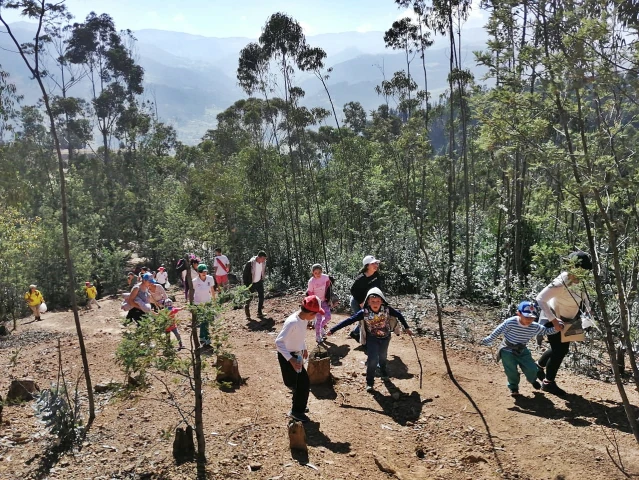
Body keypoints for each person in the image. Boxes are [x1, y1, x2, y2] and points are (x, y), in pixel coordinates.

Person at [328, 287, 412, 392]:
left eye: (377, 301)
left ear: (382, 300)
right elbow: (349, 320)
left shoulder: (386, 309)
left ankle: (383, 372)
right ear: (368, 301)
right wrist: (333, 329)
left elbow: (399, 315)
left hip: (385, 338)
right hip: (372, 339)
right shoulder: (364, 312)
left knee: (383, 357)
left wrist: (407, 328)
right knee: (372, 360)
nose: (375, 303)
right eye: (372, 301)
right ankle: (369, 382)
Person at [535, 251, 593, 396]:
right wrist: (553, 320)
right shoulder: (560, 282)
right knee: (559, 351)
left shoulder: (582, 281)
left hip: (571, 319)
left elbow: (585, 297)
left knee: (560, 349)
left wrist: (589, 312)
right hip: (553, 318)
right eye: (582, 269)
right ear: (573, 267)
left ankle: (539, 366)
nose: (584, 273)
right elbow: (540, 298)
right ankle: (548, 383)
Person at [480, 301, 559, 397]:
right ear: (519, 313)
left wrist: (557, 328)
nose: (529, 320)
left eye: (532, 317)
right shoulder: (510, 322)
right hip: (507, 350)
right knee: (511, 371)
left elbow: (546, 331)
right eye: (526, 317)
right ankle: (514, 388)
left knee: (532, 369)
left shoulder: (535, 326)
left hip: (522, 350)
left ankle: (532, 380)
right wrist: (488, 340)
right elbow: (498, 330)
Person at [275, 295, 324, 423]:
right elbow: (279, 342)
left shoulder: (303, 319)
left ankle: (299, 405)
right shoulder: (292, 322)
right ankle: (296, 411)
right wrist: (290, 359)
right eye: (316, 314)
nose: (315, 317)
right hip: (287, 356)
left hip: (296, 354)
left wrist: (304, 347)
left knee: (301, 382)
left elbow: (300, 337)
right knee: (300, 383)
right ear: (311, 313)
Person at [348, 255, 382, 342]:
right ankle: (363, 340)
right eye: (373, 263)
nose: (376, 265)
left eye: (376, 263)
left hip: (369, 301)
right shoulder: (361, 278)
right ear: (367, 266)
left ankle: (355, 333)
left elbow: (378, 288)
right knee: (364, 320)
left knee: (366, 320)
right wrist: (361, 302)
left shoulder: (376, 275)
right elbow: (353, 291)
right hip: (357, 301)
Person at [306, 264, 333, 344]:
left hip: (324, 300)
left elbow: (329, 283)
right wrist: (313, 304)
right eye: (316, 272)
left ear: (322, 271)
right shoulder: (311, 281)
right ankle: (318, 336)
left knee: (328, 317)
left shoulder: (325, 277)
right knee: (319, 319)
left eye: (319, 272)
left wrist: (328, 295)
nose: (318, 274)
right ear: (313, 273)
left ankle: (321, 328)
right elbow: (309, 292)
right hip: (316, 302)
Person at [192, 263, 216, 348]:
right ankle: (204, 338)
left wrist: (214, 300)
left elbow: (212, 290)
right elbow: (191, 292)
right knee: (203, 321)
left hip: (208, 302)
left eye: (205, 271)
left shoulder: (210, 278)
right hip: (199, 303)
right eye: (202, 271)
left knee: (207, 321)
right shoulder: (194, 281)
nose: (204, 273)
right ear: (198, 272)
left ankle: (205, 338)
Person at [243, 250, 267, 319]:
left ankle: (259, 312)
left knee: (261, 296)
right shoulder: (250, 263)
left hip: (259, 282)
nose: (264, 260)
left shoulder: (263, 263)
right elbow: (245, 275)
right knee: (249, 298)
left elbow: (263, 271)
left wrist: (262, 278)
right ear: (259, 257)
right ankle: (247, 314)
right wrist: (246, 286)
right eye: (263, 258)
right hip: (251, 283)